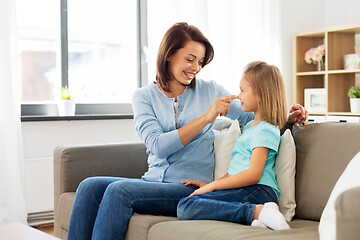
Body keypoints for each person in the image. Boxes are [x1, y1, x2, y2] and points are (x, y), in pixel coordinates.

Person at [67, 22, 307, 240]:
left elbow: (254, 113)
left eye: (201, 62)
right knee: (89, 186)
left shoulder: (209, 90)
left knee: (119, 192)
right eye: (190, 59)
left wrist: (289, 115)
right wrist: (207, 118)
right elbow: (157, 145)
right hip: (152, 183)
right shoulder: (143, 97)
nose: (196, 68)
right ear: (170, 54)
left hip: (186, 186)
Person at [177, 61, 291, 230]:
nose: (238, 96)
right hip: (247, 189)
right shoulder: (252, 127)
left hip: (258, 190)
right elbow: (235, 172)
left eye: (243, 91)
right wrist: (209, 186)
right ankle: (257, 220)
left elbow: (253, 174)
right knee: (187, 203)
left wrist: (214, 186)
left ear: (260, 94)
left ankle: (259, 212)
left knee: (187, 206)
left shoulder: (266, 130)